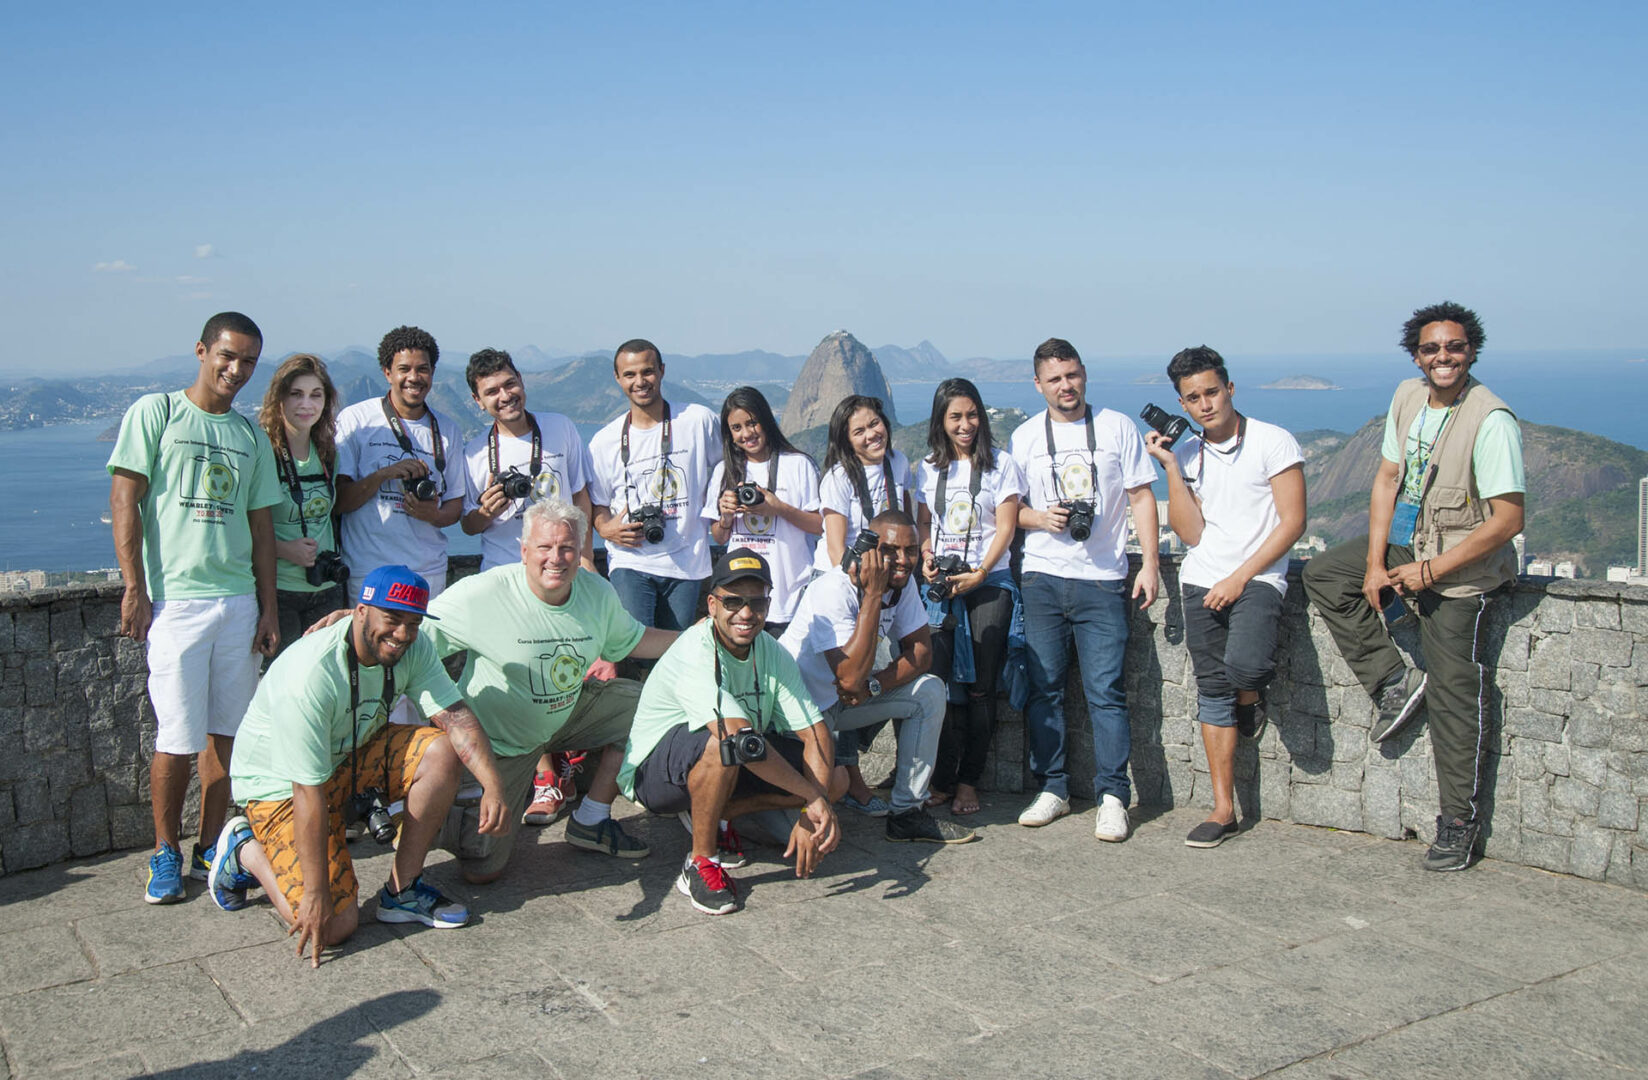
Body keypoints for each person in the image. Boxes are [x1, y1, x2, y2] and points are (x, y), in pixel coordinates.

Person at [1303, 302, 1524, 872]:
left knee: (1455, 691)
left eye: (1453, 347)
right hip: (1409, 543)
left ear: (1471, 350)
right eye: (1431, 349)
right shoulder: (1407, 398)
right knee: (1326, 574)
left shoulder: (1490, 418)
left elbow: (1507, 520)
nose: (1442, 357)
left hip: (1460, 571)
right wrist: (1376, 564)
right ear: (1416, 355)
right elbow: (1386, 478)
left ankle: (1458, 822)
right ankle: (1395, 681)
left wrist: (1429, 573)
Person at [207, 566, 511, 965]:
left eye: (413, 623)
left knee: (440, 751)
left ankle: (403, 892)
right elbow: (306, 790)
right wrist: (316, 894)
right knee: (334, 926)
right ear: (361, 611)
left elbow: (453, 715)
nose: (402, 634)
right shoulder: (313, 675)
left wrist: (493, 785)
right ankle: (243, 849)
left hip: (345, 758)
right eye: (392, 619)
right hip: (280, 785)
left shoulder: (411, 648)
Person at [107, 311, 282, 904]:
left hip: (236, 603)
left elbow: (262, 530)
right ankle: (164, 852)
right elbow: (125, 499)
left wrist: (268, 609)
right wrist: (135, 588)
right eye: (227, 356)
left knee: (228, 734)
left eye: (249, 361)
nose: (236, 370)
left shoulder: (250, 437)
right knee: (177, 737)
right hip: (177, 603)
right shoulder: (156, 413)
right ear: (202, 350)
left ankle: (211, 844)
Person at [421, 499, 677, 882]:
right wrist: (357, 623)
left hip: (568, 712)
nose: (555, 558)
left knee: (645, 708)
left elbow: (635, 640)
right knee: (483, 866)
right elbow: (416, 639)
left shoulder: (596, 592)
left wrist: (703, 637)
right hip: (500, 742)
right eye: (544, 547)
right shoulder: (482, 594)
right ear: (524, 552)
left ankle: (591, 819)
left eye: (567, 548)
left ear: (581, 553)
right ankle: (426, 816)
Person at [620, 549, 846, 915]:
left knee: (836, 779)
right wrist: (812, 798)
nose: (746, 612)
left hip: (738, 757)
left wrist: (811, 805)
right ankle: (700, 862)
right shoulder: (694, 649)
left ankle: (721, 815)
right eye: (733, 601)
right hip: (655, 775)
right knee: (723, 745)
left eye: (757, 602)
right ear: (711, 604)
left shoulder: (771, 650)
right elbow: (740, 740)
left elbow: (815, 731)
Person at [1144, 347, 1305, 848]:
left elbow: (1293, 522)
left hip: (1255, 579)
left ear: (1230, 389)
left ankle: (1252, 699)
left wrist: (1240, 578)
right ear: (1182, 403)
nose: (1205, 404)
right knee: (1213, 692)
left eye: (1212, 392)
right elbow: (1190, 534)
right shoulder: (1189, 454)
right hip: (1200, 581)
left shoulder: (1273, 442)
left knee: (1247, 670)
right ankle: (1222, 808)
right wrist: (1170, 466)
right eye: (1193, 398)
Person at [1008, 337, 1159, 842]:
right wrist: (1038, 517)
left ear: (1084, 374)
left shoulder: (1117, 428)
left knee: (1106, 693)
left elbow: (1142, 495)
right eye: (1054, 379)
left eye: (1071, 375)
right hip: (1043, 578)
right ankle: (1052, 787)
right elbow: (1010, 510)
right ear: (1038, 384)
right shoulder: (1026, 437)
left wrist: (1151, 562)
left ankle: (1113, 796)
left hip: (1102, 580)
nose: (1065, 386)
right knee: (1044, 690)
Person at [457, 347, 597, 825]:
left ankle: (562, 767)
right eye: (491, 392)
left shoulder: (559, 428)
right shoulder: (474, 451)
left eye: (509, 384)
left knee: (566, 671)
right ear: (478, 401)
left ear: (523, 381)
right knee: (517, 679)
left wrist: (588, 559)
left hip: (560, 568)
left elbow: (580, 497)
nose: (504, 396)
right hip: (504, 576)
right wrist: (487, 510)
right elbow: (469, 526)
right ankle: (542, 775)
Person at [779, 510, 977, 845]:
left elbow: (921, 654)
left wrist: (875, 686)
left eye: (911, 550)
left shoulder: (902, 584)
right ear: (869, 551)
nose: (903, 560)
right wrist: (872, 595)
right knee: (832, 789)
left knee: (929, 691)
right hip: (802, 712)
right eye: (891, 550)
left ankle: (907, 814)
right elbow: (847, 678)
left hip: (845, 700)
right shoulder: (833, 590)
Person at [915, 378, 1025, 816]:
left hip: (990, 582)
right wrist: (926, 555)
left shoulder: (1002, 465)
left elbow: (1006, 527)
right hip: (942, 586)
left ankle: (967, 782)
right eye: (955, 417)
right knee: (936, 687)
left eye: (972, 414)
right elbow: (924, 523)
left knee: (981, 690)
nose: (966, 425)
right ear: (941, 421)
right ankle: (940, 778)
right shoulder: (926, 467)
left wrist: (980, 572)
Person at [812, 394, 921, 814]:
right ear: (846, 439)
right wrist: (869, 590)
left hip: (888, 580)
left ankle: (855, 773)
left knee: (883, 674)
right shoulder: (838, 477)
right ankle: (853, 781)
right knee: (841, 681)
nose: (871, 434)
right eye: (859, 430)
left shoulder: (900, 464)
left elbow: (904, 523)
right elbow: (839, 549)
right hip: (844, 583)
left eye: (875, 424)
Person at [589, 340, 722, 631]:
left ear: (661, 371)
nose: (640, 382)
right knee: (635, 644)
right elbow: (597, 502)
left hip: (687, 560)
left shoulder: (697, 421)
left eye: (647, 372)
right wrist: (604, 527)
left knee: (674, 650)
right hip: (630, 560)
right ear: (617, 378)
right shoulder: (604, 441)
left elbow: (732, 464)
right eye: (630, 375)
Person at [335, 326, 465, 603]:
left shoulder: (447, 429)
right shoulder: (356, 420)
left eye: (423, 369)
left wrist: (433, 515)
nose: (414, 378)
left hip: (428, 570)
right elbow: (340, 501)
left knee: (426, 646)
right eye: (404, 369)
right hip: (368, 569)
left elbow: (454, 505)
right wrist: (383, 475)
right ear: (387, 372)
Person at [704, 386, 822, 638]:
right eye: (736, 428)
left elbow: (819, 525)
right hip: (742, 599)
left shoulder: (799, 464)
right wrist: (725, 518)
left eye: (752, 423)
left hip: (789, 596)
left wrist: (777, 508)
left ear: (765, 420)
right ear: (729, 433)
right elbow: (719, 537)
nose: (746, 433)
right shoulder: (724, 471)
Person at [258, 353, 347, 657]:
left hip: (325, 588)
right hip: (279, 590)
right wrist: (284, 549)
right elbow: (240, 524)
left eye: (315, 395)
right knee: (284, 686)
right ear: (279, 399)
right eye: (296, 394)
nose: (306, 404)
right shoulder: (263, 452)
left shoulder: (327, 453)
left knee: (325, 681)